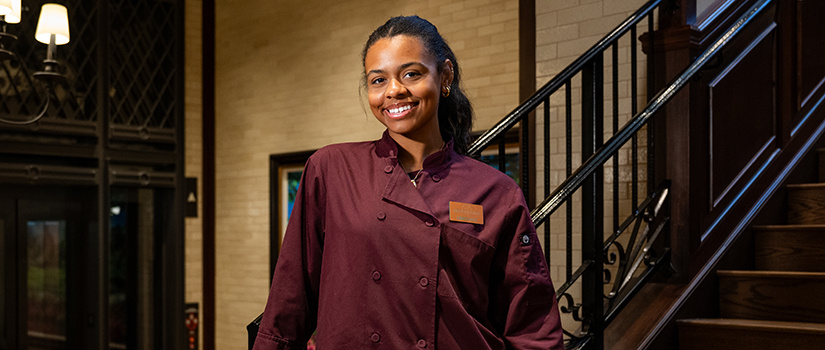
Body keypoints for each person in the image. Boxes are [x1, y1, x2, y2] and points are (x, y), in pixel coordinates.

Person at [253, 15, 564, 349]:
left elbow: (531, 325)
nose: (394, 90)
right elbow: (290, 300)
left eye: (411, 74)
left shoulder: (496, 192)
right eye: (378, 80)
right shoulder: (331, 169)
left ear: (445, 76)